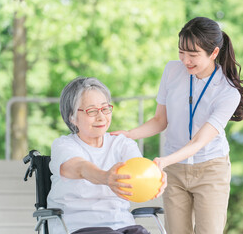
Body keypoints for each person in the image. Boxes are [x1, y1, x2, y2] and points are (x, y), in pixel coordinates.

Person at [111, 17, 243, 234]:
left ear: (213, 53)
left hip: (210, 169)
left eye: (193, 55)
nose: (186, 60)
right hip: (174, 171)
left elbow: (200, 141)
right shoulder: (172, 71)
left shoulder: (227, 92)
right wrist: (128, 134)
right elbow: (160, 120)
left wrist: (163, 161)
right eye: (181, 52)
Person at [47, 77, 166, 234]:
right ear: (72, 117)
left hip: (123, 225)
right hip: (78, 226)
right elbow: (79, 168)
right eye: (92, 111)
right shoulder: (63, 146)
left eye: (105, 108)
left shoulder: (122, 144)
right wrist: (105, 177)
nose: (101, 117)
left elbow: (140, 172)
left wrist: (155, 178)